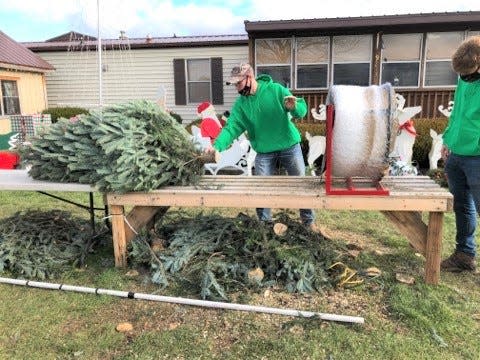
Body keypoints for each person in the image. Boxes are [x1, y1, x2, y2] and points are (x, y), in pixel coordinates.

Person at [211, 63, 319, 231]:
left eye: (239, 83)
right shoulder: (241, 105)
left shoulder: (276, 90)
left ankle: (309, 222)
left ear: (249, 78)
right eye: (235, 85)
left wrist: (295, 107)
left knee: (301, 184)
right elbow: (231, 127)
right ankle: (264, 225)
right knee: (261, 187)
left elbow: (301, 110)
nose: (237, 88)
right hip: (264, 151)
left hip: (289, 145)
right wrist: (217, 146)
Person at [440, 35, 480, 272]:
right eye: (460, 75)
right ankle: (465, 255)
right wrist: (448, 139)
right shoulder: (464, 80)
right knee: (462, 206)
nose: (464, 79)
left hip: (477, 156)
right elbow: (458, 114)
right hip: (457, 154)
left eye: (469, 74)